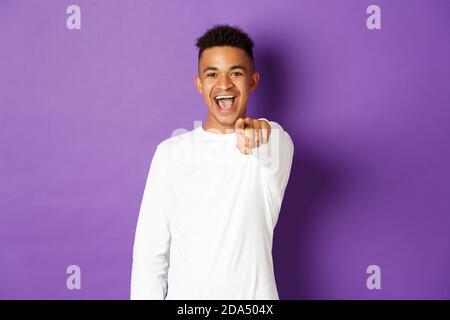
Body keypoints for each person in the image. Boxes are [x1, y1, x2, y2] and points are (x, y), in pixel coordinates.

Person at [130, 24, 294, 300]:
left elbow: (270, 138)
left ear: (253, 81)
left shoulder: (275, 146)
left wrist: (258, 132)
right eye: (212, 74)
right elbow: (150, 256)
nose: (224, 84)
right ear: (199, 84)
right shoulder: (170, 154)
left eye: (236, 73)